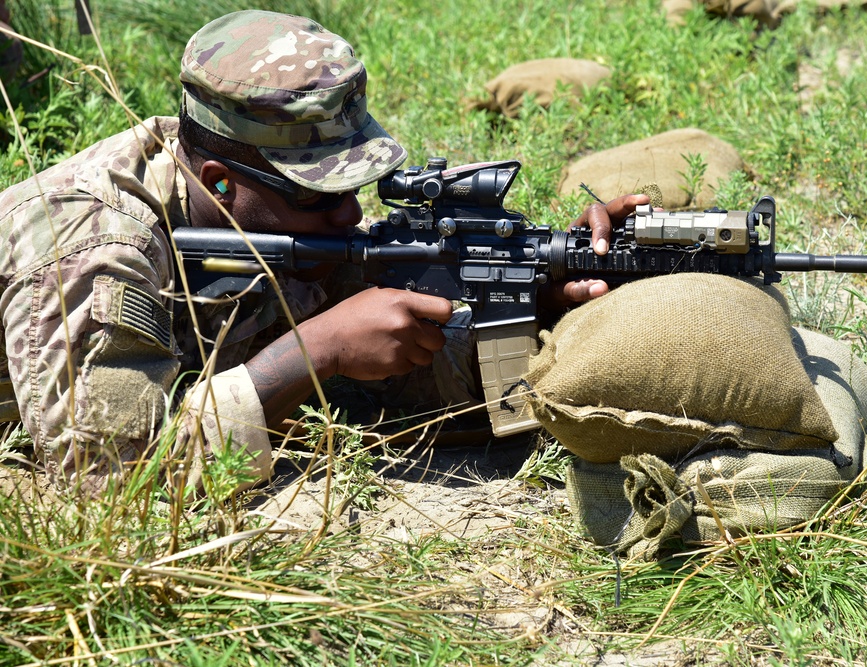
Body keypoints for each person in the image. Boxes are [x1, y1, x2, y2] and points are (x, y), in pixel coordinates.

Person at [0, 10, 647, 492]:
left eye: (354, 186)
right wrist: (317, 351)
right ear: (220, 182)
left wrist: (522, 299)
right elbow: (115, 485)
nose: (349, 214)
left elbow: (430, 393)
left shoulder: (274, 225)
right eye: (318, 194)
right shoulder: (90, 243)